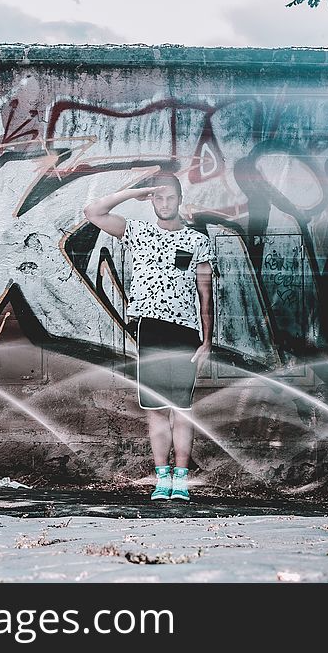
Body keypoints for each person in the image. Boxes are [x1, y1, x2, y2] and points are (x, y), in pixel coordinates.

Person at [83, 172, 214, 501]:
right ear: (152, 200)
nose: (166, 203)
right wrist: (136, 191)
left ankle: (181, 481)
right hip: (150, 329)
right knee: (156, 411)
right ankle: (162, 480)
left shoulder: (197, 242)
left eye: (171, 197)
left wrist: (207, 340)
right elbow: (93, 212)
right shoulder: (137, 233)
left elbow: (205, 294)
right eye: (160, 197)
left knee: (182, 409)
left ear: (180, 200)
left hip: (185, 332)